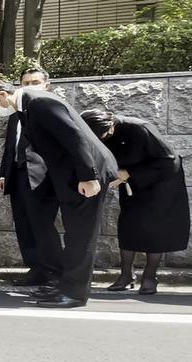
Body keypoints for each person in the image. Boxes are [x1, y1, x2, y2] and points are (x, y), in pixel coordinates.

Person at [0, 81, 118, 308]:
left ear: (2, 95)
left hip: (86, 174)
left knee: (80, 236)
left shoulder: (39, 102)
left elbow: (74, 136)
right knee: (73, 235)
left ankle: (75, 294)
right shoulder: (27, 106)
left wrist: (89, 176)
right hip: (74, 175)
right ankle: (65, 287)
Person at [81, 109, 190, 295]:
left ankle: (149, 277)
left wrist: (129, 173)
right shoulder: (102, 132)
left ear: (110, 126)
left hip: (161, 184)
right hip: (132, 184)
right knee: (128, 225)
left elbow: (169, 162)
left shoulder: (140, 128)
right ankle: (126, 275)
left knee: (155, 229)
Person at [0, 68, 63, 287]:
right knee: (24, 225)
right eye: (25, 83)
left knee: (42, 225)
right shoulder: (16, 112)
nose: (29, 86)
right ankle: (36, 268)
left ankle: (54, 273)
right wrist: (4, 173)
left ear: (47, 85)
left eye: (35, 82)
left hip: (41, 176)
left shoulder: (49, 108)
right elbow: (10, 145)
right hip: (17, 174)